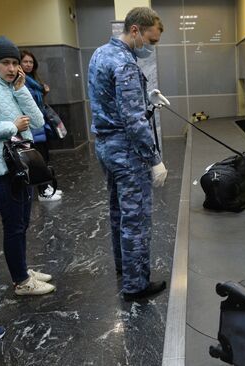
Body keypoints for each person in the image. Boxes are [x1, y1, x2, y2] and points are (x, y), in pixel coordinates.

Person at [88, 7, 168, 301]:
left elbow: (106, 100)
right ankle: (136, 285)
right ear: (135, 30)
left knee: (118, 211)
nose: (150, 46)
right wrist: (154, 159)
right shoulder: (125, 63)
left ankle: (125, 268)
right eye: (151, 40)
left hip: (105, 145)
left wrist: (145, 97)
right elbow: (134, 121)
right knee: (135, 218)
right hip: (127, 151)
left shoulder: (99, 54)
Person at [0, 36, 55, 295]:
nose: (12, 68)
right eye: (6, 62)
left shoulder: (11, 86)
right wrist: (11, 126)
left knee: (23, 223)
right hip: (2, 169)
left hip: (21, 165)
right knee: (13, 225)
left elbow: (36, 121)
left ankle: (22, 269)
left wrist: (21, 89)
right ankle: (21, 281)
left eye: (15, 62)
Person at [20, 49, 62, 201]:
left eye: (31, 62)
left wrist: (43, 92)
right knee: (36, 159)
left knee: (44, 156)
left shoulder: (33, 81)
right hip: (29, 126)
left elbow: (37, 103)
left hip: (40, 124)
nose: (28, 65)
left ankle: (46, 186)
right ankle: (43, 191)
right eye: (25, 61)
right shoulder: (21, 82)